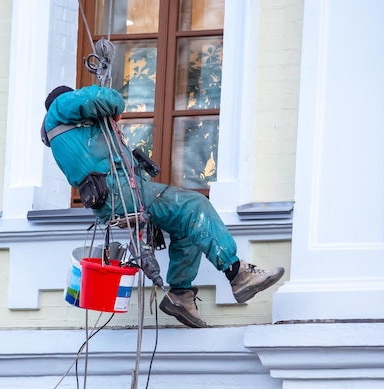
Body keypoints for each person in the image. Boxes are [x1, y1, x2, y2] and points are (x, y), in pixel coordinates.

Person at [42, 84, 285, 328]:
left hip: (110, 196)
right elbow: (102, 97)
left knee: (186, 226)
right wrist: (112, 105)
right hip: (121, 192)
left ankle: (180, 295)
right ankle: (238, 273)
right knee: (196, 205)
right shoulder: (60, 106)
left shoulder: (68, 136)